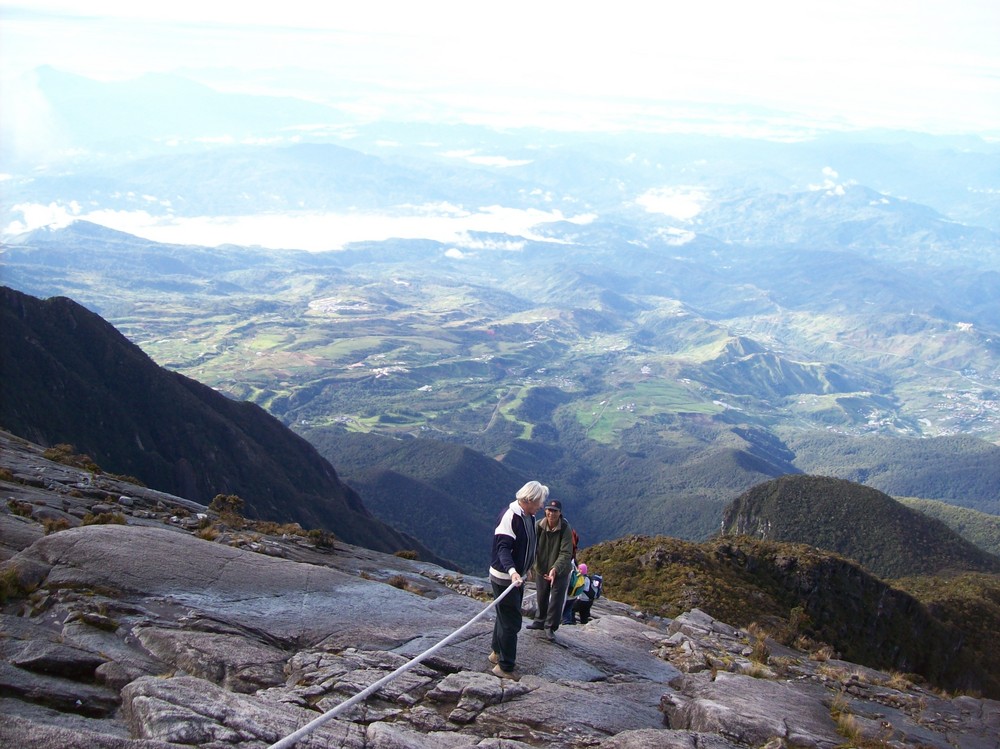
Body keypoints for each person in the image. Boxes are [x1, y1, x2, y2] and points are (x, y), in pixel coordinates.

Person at [488, 480, 547, 680]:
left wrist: (527, 567)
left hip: (516, 577)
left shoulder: (528, 516)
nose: (541, 506)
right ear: (528, 500)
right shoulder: (510, 516)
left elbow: (527, 544)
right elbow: (503, 548)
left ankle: (497, 653)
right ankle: (505, 666)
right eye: (539, 502)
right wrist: (513, 571)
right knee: (511, 621)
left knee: (504, 615)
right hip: (505, 578)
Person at [525, 498, 574, 641]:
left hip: (560, 571)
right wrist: (528, 567)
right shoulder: (538, 526)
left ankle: (550, 627)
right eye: (549, 510)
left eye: (555, 511)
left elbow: (566, 552)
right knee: (541, 596)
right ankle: (539, 621)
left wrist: (555, 569)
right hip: (541, 568)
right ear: (545, 510)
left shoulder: (565, 528)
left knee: (556, 600)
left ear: (560, 513)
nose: (551, 513)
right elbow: (531, 547)